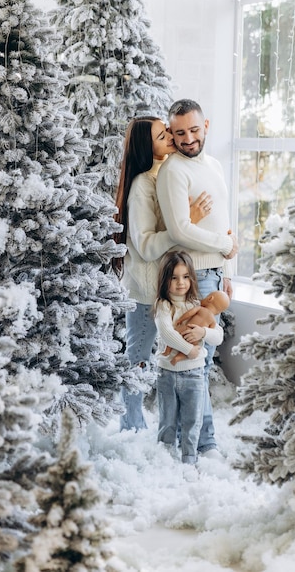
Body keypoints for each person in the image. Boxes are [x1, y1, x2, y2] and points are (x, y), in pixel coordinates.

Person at [113, 115, 213, 432]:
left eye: (167, 131)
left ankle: (157, 423)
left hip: (163, 290)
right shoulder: (143, 183)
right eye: (162, 135)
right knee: (138, 359)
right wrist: (185, 223)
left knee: (165, 355)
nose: (171, 136)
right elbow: (144, 246)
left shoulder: (164, 174)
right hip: (145, 292)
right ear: (147, 146)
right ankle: (130, 425)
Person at [156, 99, 238, 457]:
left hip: (216, 273)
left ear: (207, 126)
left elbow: (223, 218)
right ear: (172, 135)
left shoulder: (215, 165)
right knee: (196, 365)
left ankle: (198, 441)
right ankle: (204, 444)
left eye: (193, 129)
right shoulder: (174, 170)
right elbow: (179, 229)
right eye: (179, 132)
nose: (188, 138)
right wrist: (223, 245)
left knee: (203, 359)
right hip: (196, 274)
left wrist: (228, 271)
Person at [154, 250, 223, 465]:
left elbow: (218, 335)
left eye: (185, 277)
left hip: (193, 374)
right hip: (167, 373)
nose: (180, 283)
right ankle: (165, 456)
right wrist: (188, 348)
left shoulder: (198, 305)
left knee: (192, 420)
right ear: (165, 280)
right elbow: (166, 332)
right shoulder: (164, 305)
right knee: (168, 419)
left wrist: (203, 333)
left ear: (192, 279)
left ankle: (189, 458)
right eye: (174, 278)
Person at [162, 290, 230, 365]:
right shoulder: (213, 321)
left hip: (186, 328)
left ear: (210, 298)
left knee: (174, 332)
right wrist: (204, 332)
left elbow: (189, 313)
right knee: (194, 350)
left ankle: (167, 350)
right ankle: (178, 357)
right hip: (194, 338)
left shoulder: (200, 309)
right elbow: (211, 331)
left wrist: (180, 320)